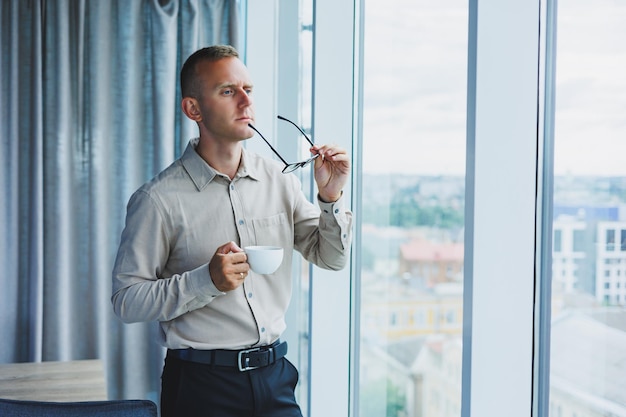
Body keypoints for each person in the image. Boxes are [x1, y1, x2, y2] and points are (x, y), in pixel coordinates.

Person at [111, 44, 353, 417]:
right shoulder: (157, 199)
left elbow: (331, 258)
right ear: (194, 109)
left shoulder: (280, 180)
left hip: (276, 379)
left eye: (249, 91)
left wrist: (330, 196)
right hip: (200, 388)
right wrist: (205, 280)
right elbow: (126, 301)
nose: (246, 102)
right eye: (228, 91)